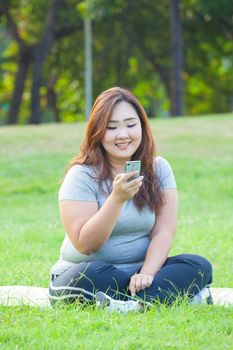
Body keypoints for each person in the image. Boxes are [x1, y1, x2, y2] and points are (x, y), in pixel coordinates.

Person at [49, 87, 212, 312]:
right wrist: (117, 199)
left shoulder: (159, 168)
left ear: (142, 127)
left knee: (198, 265)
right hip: (88, 271)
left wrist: (147, 273)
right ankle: (162, 298)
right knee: (91, 275)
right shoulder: (81, 175)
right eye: (112, 127)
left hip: (141, 274)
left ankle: (129, 303)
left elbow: (163, 231)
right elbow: (86, 245)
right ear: (97, 131)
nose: (123, 135)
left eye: (131, 124)